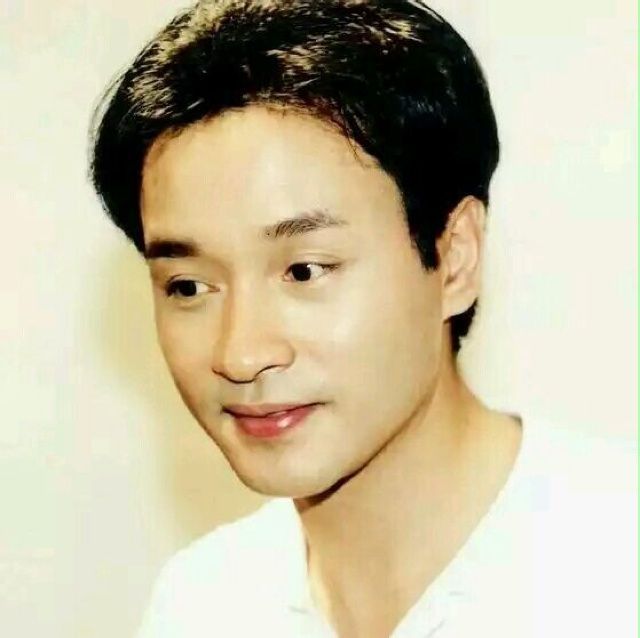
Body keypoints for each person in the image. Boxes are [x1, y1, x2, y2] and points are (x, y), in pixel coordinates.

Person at [88, 1, 636, 636]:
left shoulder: (617, 565)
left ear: (455, 257)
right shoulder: (201, 604)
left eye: (304, 271)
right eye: (188, 286)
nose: (240, 354)